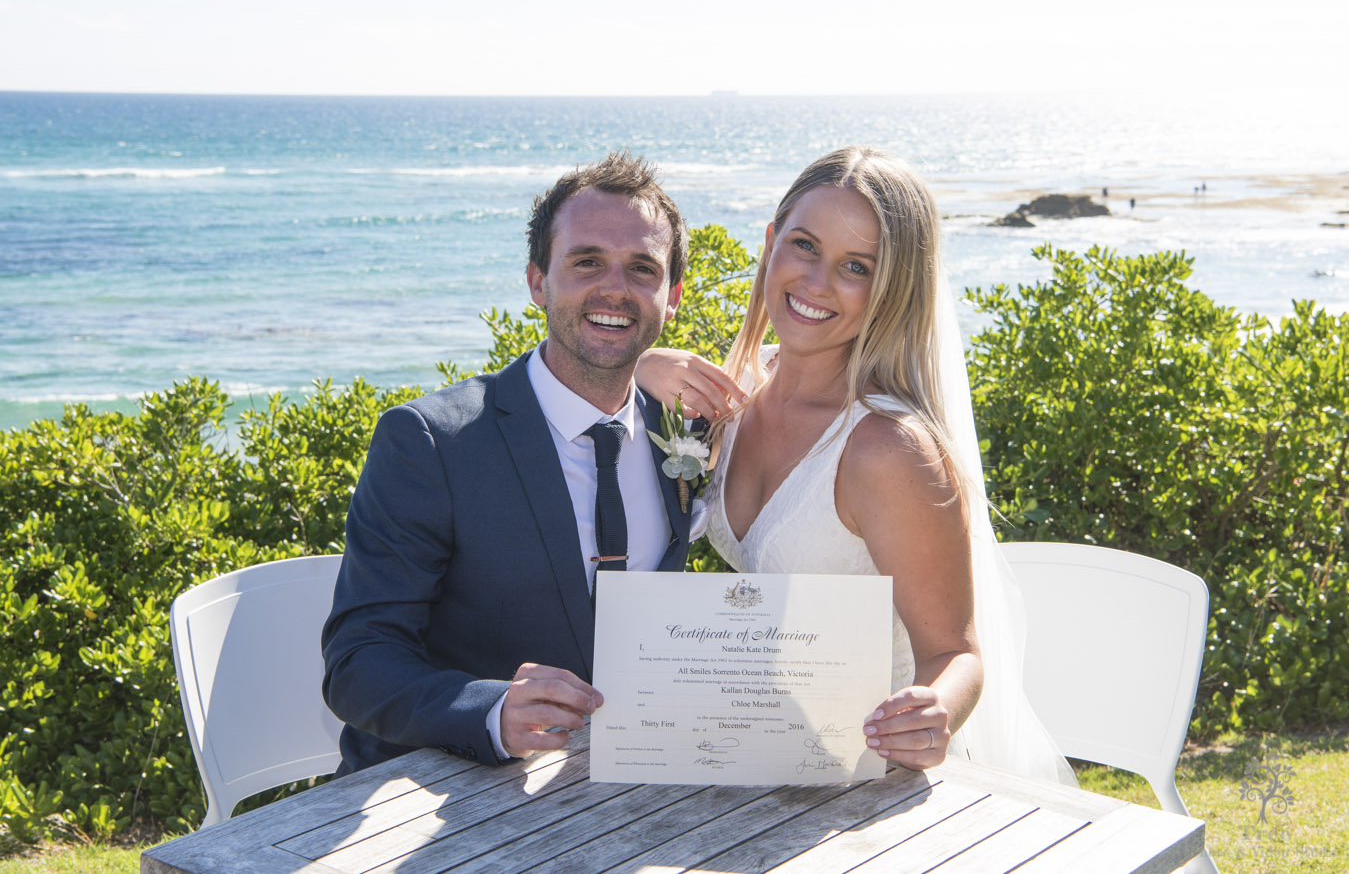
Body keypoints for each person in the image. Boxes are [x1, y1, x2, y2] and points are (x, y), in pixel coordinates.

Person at [637, 146, 1075, 783]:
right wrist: (635, 371)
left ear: (893, 287)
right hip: (758, 754)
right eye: (806, 246)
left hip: (866, 774)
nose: (816, 283)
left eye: (857, 267)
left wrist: (934, 715)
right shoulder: (734, 403)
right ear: (771, 241)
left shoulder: (888, 449)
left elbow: (956, 653)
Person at [322, 151, 696, 775]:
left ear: (672, 296)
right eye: (586, 262)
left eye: (642, 268)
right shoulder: (430, 442)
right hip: (436, 792)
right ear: (536, 281)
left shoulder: (683, 430)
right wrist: (491, 712)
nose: (614, 288)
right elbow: (358, 664)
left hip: (621, 783)